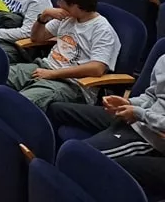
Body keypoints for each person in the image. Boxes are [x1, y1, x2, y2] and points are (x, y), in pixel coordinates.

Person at [48, 51, 165, 202]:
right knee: (56, 109)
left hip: (150, 135)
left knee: (77, 159)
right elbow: (151, 96)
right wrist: (129, 103)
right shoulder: (163, 59)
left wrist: (139, 113)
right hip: (137, 117)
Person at [7, 0, 121, 110]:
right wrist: (43, 17)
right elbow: (36, 38)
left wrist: (54, 74)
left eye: (61, 1)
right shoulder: (67, 17)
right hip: (44, 68)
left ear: (77, 5)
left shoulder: (102, 30)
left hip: (72, 85)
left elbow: (97, 68)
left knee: (19, 104)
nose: (58, 3)